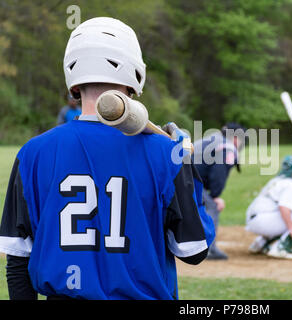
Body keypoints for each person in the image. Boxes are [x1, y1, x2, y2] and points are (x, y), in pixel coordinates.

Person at [0, 17, 215, 300]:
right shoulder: (166, 153)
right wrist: (186, 167)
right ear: (135, 75)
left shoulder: (33, 152)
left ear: (73, 84)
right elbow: (194, 250)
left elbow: (17, 260)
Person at [245, 155, 292, 260]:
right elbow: (284, 207)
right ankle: (280, 248)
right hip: (264, 221)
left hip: (254, 219)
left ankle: (259, 244)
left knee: (290, 217)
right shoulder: (291, 184)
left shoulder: (277, 180)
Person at [192, 122, 246, 260]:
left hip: (176, 176)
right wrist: (215, 196)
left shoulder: (212, 139)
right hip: (186, 179)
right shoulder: (227, 147)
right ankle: (209, 249)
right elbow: (218, 173)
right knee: (212, 207)